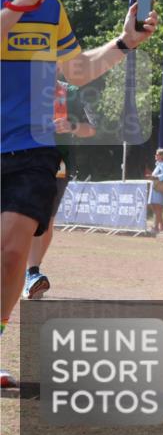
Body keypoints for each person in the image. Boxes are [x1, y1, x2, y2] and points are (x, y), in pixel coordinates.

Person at [1, 0, 158, 388]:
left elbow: (77, 71)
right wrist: (17, 8)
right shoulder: (28, 3)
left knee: (10, 252)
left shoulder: (52, 6)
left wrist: (125, 42)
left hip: (33, 147)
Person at [22, 80, 97, 300]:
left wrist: (71, 126)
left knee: (44, 220)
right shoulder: (18, 84)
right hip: (15, 158)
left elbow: (91, 128)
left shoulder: (71, 92)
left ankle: (32, 273)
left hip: (56, 163)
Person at [148, 148, 163, 233]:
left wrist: (155, 177)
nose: (156, 156)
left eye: (157, 154)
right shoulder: (159, 164)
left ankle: (156, 227)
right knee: (154, 207)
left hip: (159, 189)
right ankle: (162, 225)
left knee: (157, 207)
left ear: (162, 156)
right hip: (155, 188)